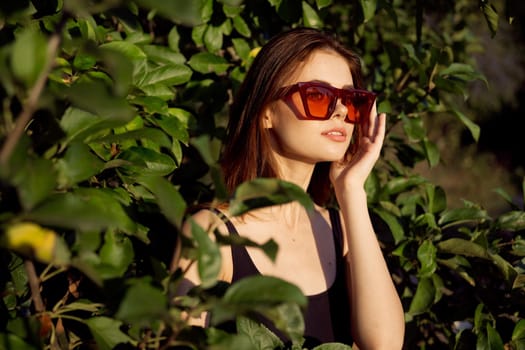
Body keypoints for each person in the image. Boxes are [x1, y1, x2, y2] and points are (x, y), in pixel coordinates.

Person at [177, 27, 405, 349]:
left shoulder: (344, 230)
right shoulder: (211, 233)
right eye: (318, 96)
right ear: (266, 112)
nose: (341, 112)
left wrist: (351, 191)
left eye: (352, 101)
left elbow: (385, 344)